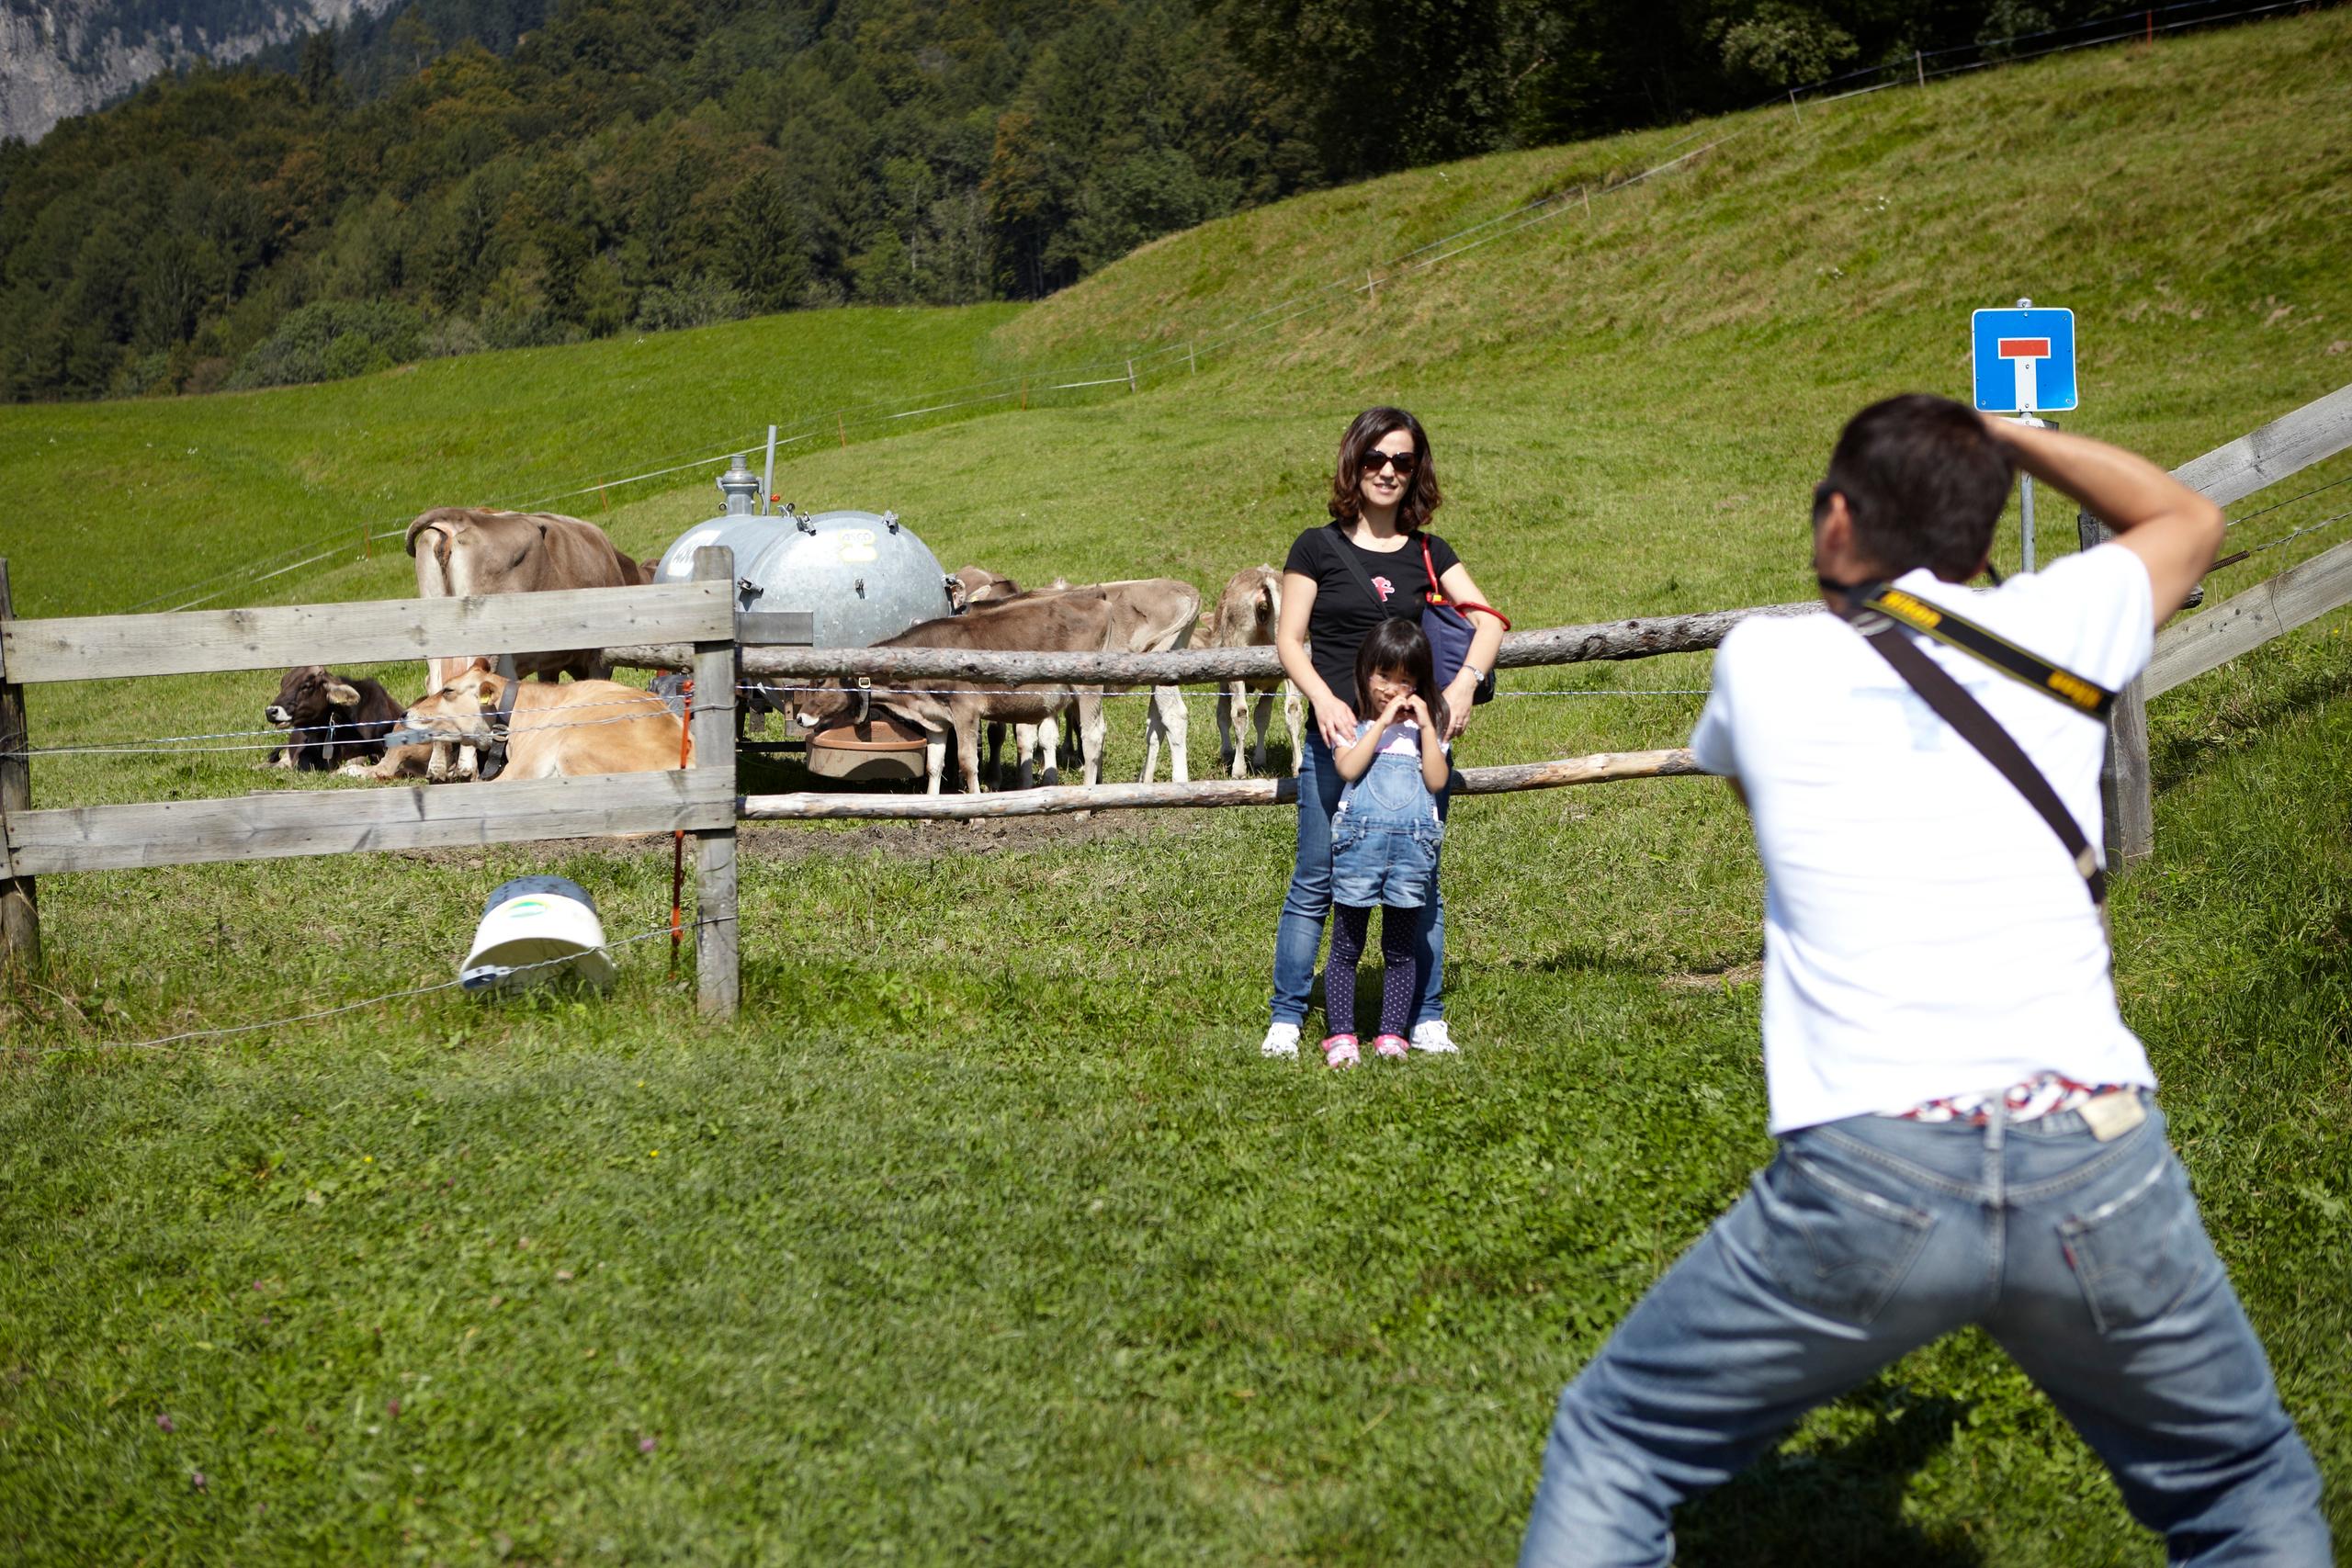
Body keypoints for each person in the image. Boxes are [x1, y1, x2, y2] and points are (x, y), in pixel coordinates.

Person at [1519, 395, 2328, 1566]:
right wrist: (2002, 440)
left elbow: (1766, 811)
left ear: (1839, 521)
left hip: (1871, 1164)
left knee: (1618, 1443)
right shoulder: (2064, 622)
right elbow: (2184, 517)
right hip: (2091, 1142)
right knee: (2241, 1491)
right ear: (1976, 518)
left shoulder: (1765, 662)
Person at [1262, 407, 1507, 1060]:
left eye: (1402, 460)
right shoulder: (1315, 546)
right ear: (1354, 463)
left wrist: (1461, 686)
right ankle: (1287, 1017)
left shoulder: (1430, 552)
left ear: (1416, 469)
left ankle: (1426, 1017)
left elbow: (1490, 622)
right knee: (1315, 876)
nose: (1388, 471)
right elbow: (1290, 639)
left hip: (1409, 749)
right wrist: (1320, 698)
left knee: (1420, 880)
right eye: (1375, 458)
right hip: (1339, 739)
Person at [1319, 619, 1454, 1068]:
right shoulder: (1349, 722)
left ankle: (1392, 1033)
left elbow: (1436, 780)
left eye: (1405, 681)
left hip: (1410, 854)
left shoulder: (1425, 731)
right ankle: (1341, 1035)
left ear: (1418, 685)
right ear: (1366, 672)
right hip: (1359, 849)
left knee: (1399, 949)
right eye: (1384, 677)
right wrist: (1379, 725)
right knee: (1346, 946)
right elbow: (1348, 769)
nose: (1392, 690)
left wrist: (1429, 730)